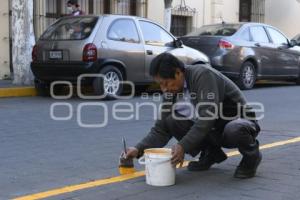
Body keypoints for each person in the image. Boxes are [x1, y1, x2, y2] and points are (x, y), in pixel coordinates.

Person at [123, 53, 262, 179]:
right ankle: (211, 153)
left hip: (239, 121)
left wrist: (182, 146)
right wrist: (138, 149)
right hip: (214, 128)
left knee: (234, 128)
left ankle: (252, 157)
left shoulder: (202, 75)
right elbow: (161, 129)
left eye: (165, 83)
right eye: (160, 85)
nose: (164, 89)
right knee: (171, 121)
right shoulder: (170, 93)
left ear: (178, 72)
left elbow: (207, 118)